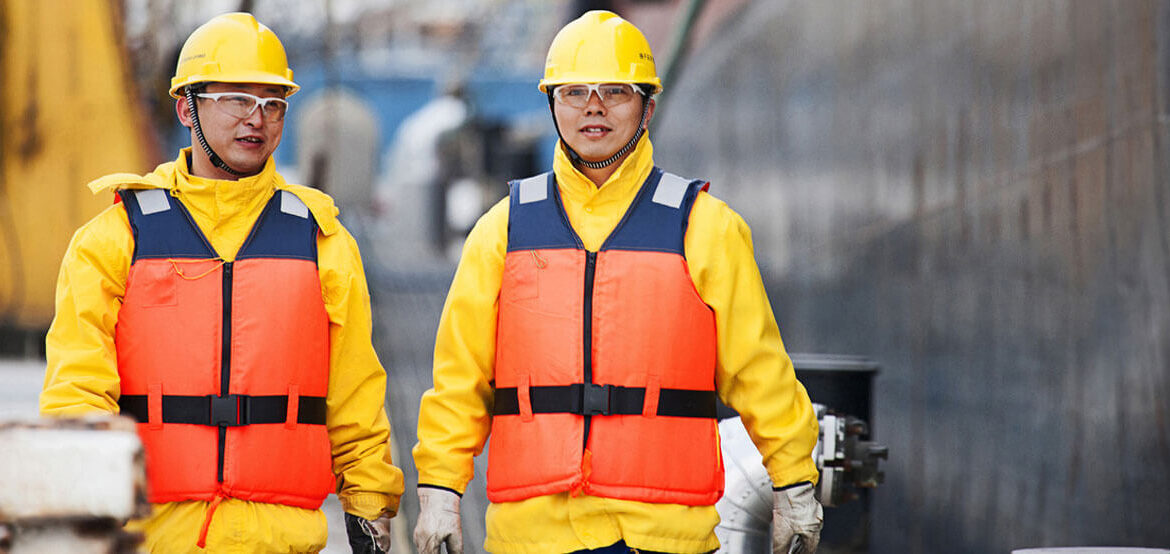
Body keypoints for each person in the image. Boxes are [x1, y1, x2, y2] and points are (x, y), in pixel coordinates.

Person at [412, 10, 823, 554]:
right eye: (574, 92)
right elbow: (459, 379)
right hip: (533, 537)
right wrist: (440, 492)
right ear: (552, 104)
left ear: (648, 106)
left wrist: (794, 484)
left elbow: (760, 372)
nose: (593, 107)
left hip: (663, 536)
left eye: (615, 91)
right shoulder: (502, 231)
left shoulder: (706, 228)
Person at [40, 12, 403, 553]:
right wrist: (82, 511)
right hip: (155, 537)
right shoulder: (115, 239)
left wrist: (370, 503)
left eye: (273, 104)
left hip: (281, 539)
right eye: (237, 99)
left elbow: (356, 395)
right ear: (186, 107)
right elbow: (78, 389)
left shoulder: (323, 241)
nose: (257, 119)